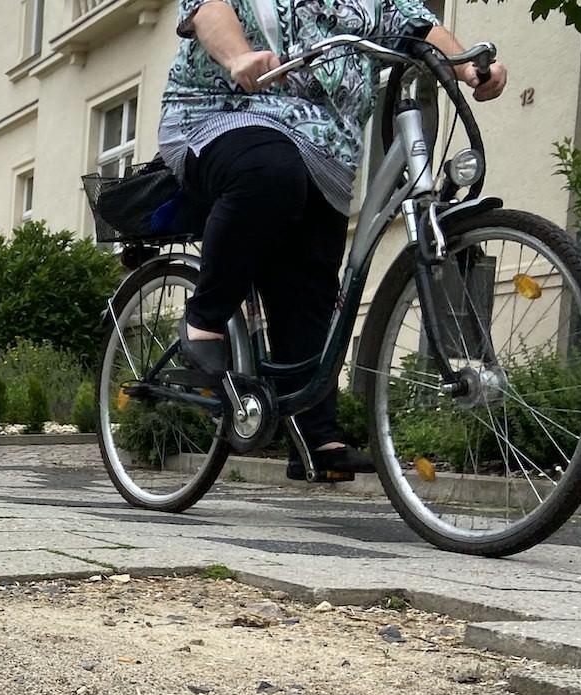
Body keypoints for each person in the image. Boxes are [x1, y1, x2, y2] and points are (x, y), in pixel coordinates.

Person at [160, 0, 506, 479]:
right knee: (269, 173)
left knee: (312, 285)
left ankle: (315, 441)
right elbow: (208, 9)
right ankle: (204, 322)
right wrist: (239, 56)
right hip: (226, 114)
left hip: (325, 146)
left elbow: (415, 23)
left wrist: (468, 66)